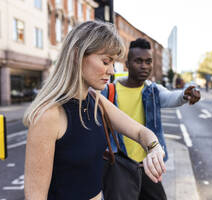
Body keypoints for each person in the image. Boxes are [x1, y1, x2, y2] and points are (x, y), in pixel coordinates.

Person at [23, 21, 165, 200]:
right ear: (77, 55)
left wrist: (154, 148)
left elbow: (140, 131)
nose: (112, 71)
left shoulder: (96, 100)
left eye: (113, 62)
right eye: (106, 61)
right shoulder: (49, 115)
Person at [102, 38, 201, 200]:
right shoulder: (110, 90)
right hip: (120, 167)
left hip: (148, 164)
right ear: (127, 64)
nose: (144, 66)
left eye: (148, 62)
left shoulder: (153, 90)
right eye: (138, 61)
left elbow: (170, 97)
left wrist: (185, 94)